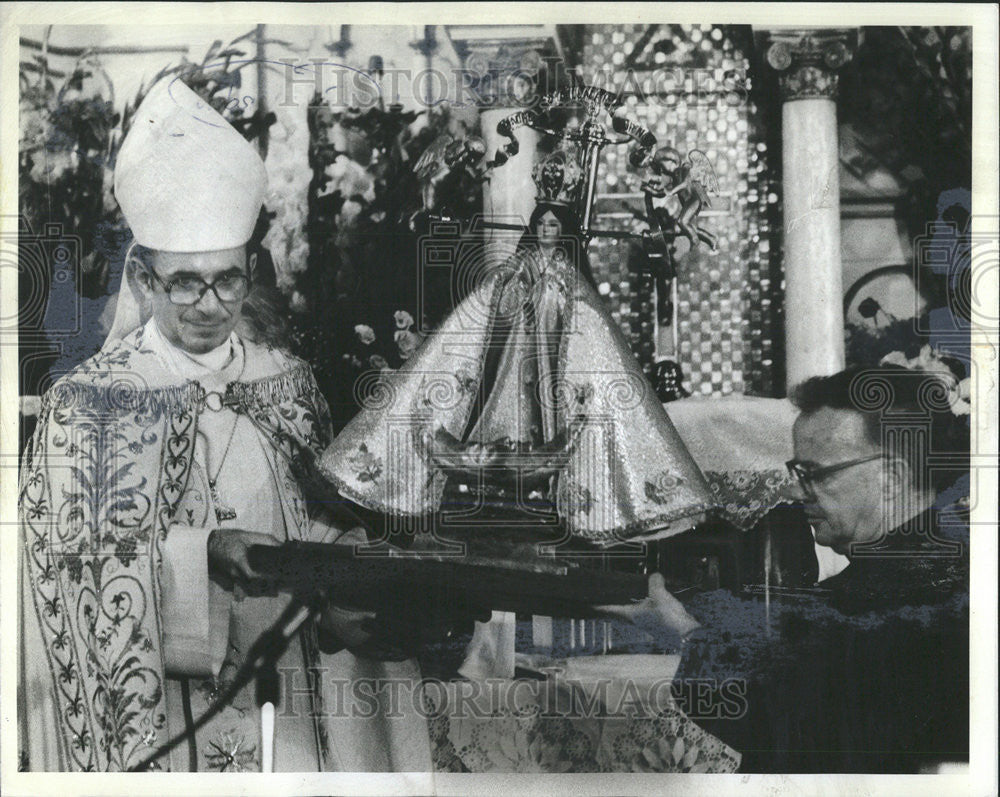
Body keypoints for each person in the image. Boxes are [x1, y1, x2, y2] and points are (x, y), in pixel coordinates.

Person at [18, 78, 430, 772]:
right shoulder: (86, 405)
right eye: (186, 282)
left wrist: (351, 590)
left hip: (297, 709)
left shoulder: (288, 381)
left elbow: (326, 522)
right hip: (171, 730)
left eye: (229, 279)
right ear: (144, 279)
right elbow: (60, 570)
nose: (211, 305)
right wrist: (202, 551)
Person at [318, 148, 712, 546]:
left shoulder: (570, 279)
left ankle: (572, 484)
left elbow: (585, 326)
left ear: (564, 231)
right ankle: (491, 457)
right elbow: (487, 309)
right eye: (541, 224)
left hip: (556, 354)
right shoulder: (516, 269)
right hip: (512, 354)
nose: (546, 231)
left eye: (554, 226)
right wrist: (514, 291)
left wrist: (551, 301)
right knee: (495, 394)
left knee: (577, 396)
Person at [603, 364, 970, 772]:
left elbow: (782, 728)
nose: (794, 490)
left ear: (892, 478)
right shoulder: (947, 564)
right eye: (797, 472)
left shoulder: (881, 597)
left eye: (815, 474)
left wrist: (685, 637)